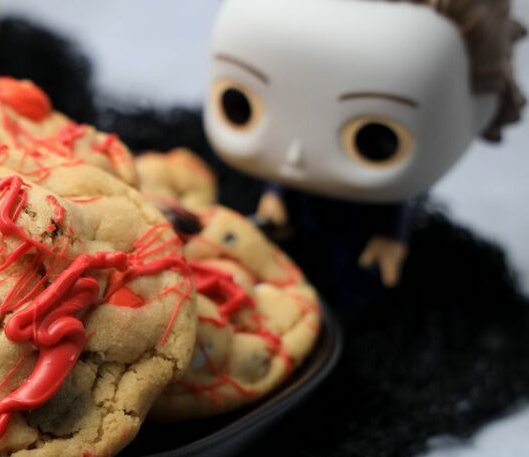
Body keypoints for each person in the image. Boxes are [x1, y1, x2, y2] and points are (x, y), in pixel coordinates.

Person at [204, 0, 525, 307]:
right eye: (239, 106)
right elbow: (283, 182)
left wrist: (391, 238)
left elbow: (393, 209)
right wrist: (275, 196)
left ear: (483, 110)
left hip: (355, 227)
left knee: (349, 280)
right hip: (299, 223)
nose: (295, 156)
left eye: (375, 138)